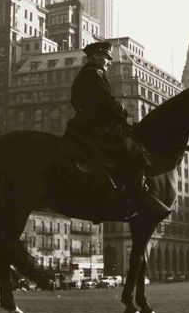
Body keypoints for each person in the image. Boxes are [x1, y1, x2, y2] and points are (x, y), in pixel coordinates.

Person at [63, 41, 151, 201]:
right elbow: (105, 99)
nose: (109, 62)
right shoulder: (93, 74)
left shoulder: (89, 73)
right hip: (96, 125)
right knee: (131, 150)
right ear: (96, 56)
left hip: (89, 123)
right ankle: (129, 193)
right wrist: (121, 110)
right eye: (106, 57)